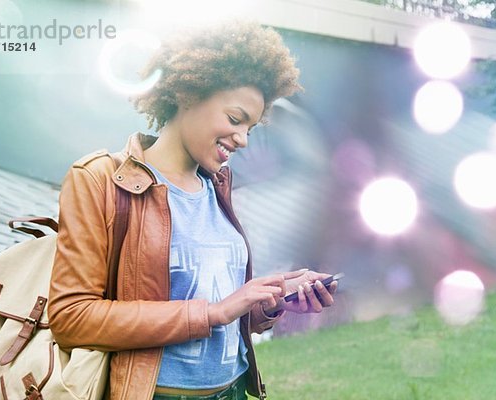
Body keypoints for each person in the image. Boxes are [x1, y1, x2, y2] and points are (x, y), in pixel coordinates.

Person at [48, 20, 338, 400]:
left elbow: (222, 308)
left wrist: (268, 301)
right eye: (235, 120)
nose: (244, 140)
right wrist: (213, 313)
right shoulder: (100, 178)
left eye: (251, 127)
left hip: (235, 390)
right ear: (188, 93)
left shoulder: (218, 186)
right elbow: (71, 318)